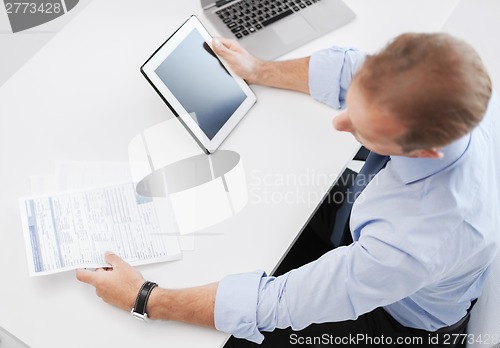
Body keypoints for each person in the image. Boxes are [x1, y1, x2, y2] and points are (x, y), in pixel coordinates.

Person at [77, 33, 500, 347]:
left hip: (399, 324)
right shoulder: (445, 84)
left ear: (424, 152)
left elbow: (277, 304)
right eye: (350, 105)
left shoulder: (413, 241)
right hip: (390, 247)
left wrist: (145, 298)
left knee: (237, 338)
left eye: (363, 130)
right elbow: (350, 67)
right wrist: (258, 69)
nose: (340, 124)